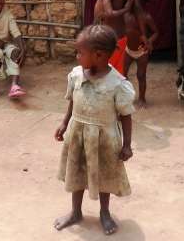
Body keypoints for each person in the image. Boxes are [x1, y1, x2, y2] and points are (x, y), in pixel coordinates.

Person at [54, 24, 135, 236]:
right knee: (77, 172)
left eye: (80, 53)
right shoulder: (76, 75)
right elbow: (73, 101)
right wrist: (64, 123)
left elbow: (126, 115)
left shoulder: (117, 84)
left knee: (104, 175)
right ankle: (75, 212)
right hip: (78, 134)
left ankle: (104, 212)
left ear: (98, 55)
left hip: (104, 139)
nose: (77, 56)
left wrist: (127, 145)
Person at [123, 0, 159, 107]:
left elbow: (156, 32)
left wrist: (149, 41)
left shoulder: (146, 17)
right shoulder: (126, 14)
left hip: (141, 51)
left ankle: (142, 99)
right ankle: (124, 96)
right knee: (122, 74)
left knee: (141, 75)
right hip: (127, 50)